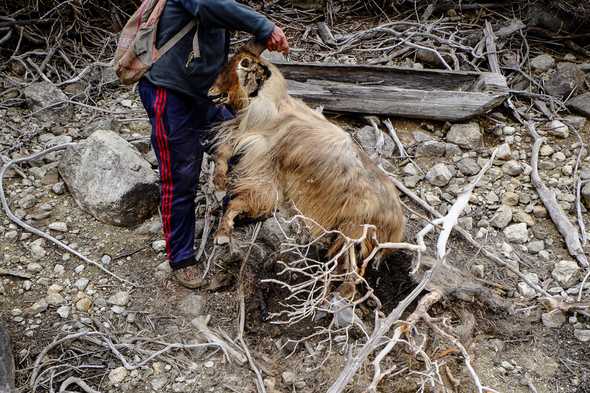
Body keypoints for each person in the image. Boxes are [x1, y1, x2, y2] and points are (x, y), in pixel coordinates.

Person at [138, 0, 289, 288]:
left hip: (203, 91)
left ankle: (237, 210)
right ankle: (181, 258)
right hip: (170, 93)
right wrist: (264, 26)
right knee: (181, 175)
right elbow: (208, 6)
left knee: (242, 145)